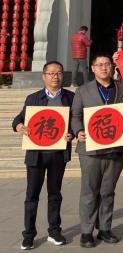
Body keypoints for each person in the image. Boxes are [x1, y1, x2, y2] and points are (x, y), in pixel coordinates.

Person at [71, 53, 123, 248]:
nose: (104, 67)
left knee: (108, 191)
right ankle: (86, 231)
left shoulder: (122, 88)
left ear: (112, 67)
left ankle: (105, 228)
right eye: (99, 65)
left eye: (107, 64)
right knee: (89, 191)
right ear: (92, 68)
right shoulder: (83, 90)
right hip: (90, 150)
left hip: (115, 149)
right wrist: (78, 131)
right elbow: (75, 116)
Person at [13, 61, 74, 250]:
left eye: (59, 73)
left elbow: (77, 121)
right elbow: (19, 119)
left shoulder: (71, 97)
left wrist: (72, 133)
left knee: (55, 194)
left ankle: (54, 231)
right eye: (51, 73)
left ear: (63, 76)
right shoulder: (33, 98)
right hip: (36, 155)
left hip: (58, 154)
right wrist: (19, 126)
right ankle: (29, 235)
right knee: (32, 195)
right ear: (44, 76)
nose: (55, 76)